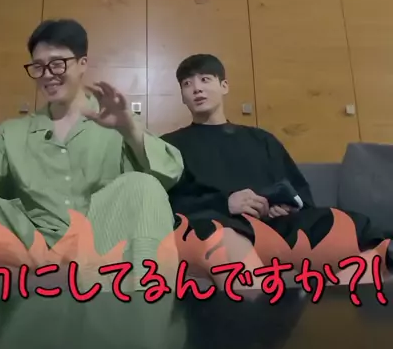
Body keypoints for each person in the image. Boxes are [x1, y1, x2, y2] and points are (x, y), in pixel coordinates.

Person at [0, 19, 183, 292]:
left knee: (142, 184)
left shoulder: (118, 123)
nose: (47, 74)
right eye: (38, 66)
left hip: (99, 240)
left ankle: (139, 311)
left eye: (57, 64)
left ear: (82, 63)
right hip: (31, 243)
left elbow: (168, 173)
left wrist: (130, 130)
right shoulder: (12, 133)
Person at [161, 54, 391, 287]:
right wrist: (225, 203)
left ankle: (332, 299)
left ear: (224, 86)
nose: (197, 89)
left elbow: (297, 191)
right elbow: (166, 203)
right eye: (187, 84)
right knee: (220, 234)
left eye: (205, 79)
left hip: (275, 227)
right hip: (218, 225)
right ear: (183, 96)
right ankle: (259, 304)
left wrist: (286, 206)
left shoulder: (261, 140)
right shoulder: (169, 146)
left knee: (352, 225)